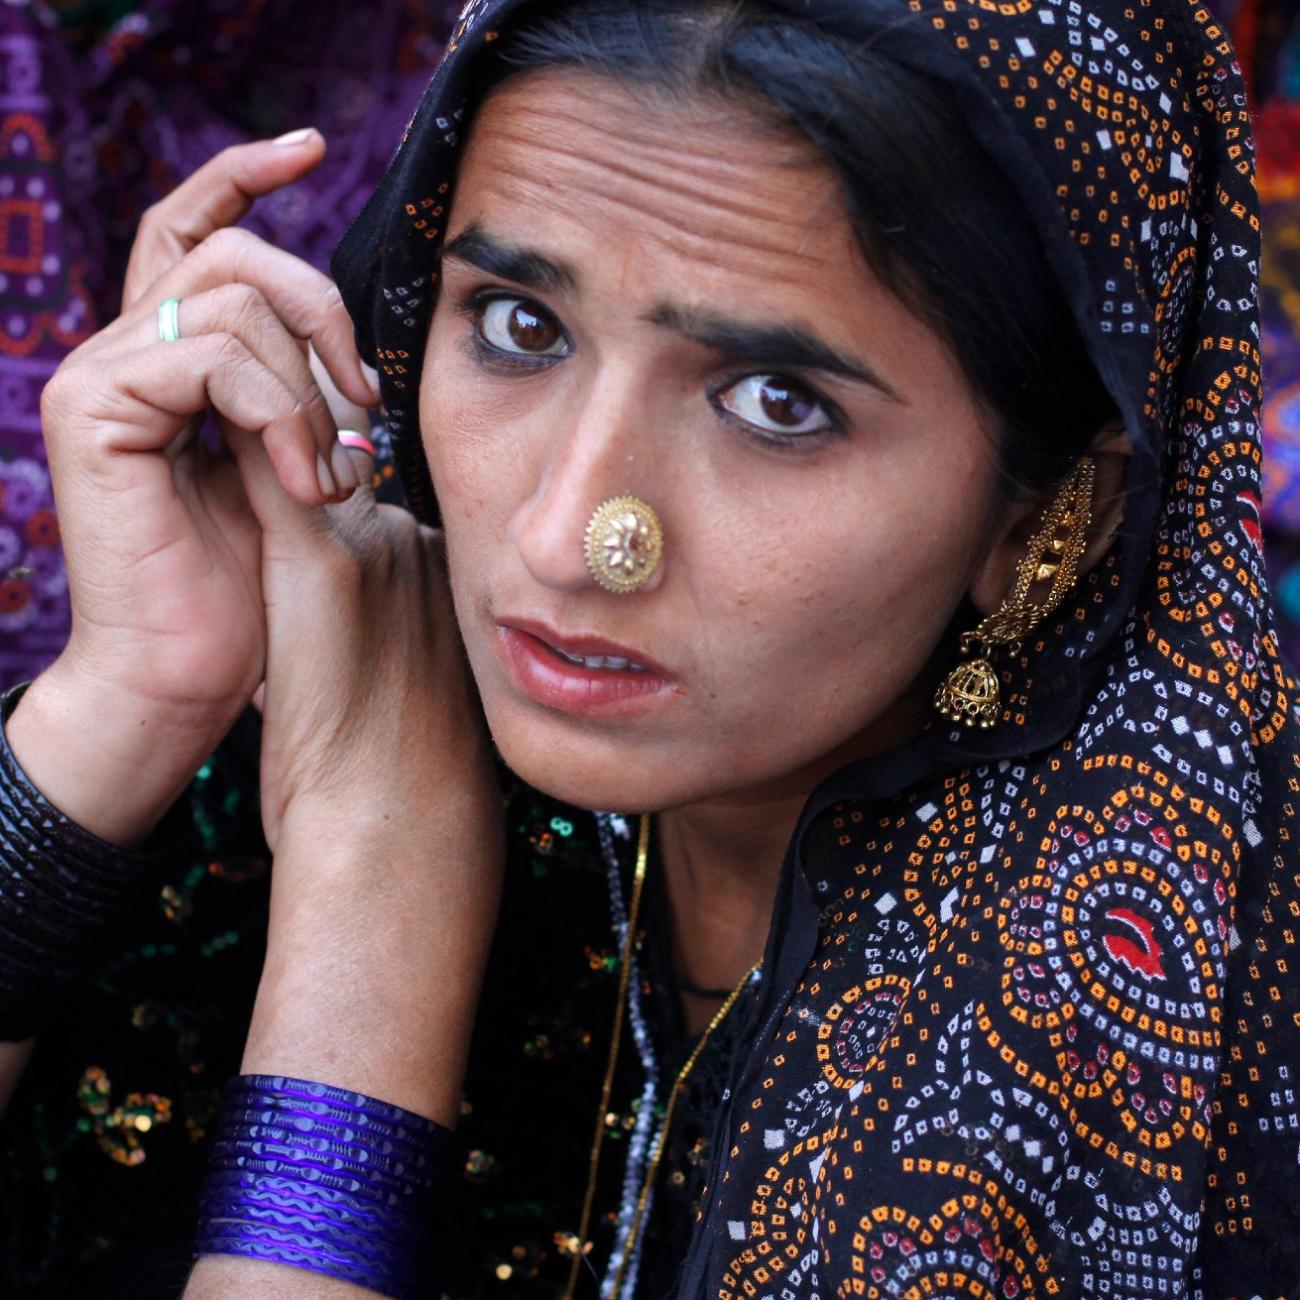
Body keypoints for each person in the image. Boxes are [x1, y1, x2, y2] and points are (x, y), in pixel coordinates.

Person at [0, 0, 1296, 1297]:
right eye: (518, 326)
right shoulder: (336, 727)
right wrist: (128, 701)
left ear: (1056, 513)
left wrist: (376, 890)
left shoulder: (1130, 1049)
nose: (568, 538)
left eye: (776, 403)